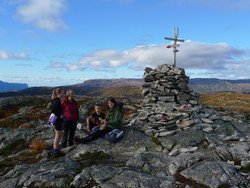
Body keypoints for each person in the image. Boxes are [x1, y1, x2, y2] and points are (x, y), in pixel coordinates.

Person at [50, 88, 65, 157]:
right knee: (58, 136)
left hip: (57, 121)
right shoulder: (57, 100)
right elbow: (53, 109)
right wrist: (60, 115)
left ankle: (54, 149)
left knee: (57, 135)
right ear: (58, 93)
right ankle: (56, 152)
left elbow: (52, 108)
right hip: (58, 121)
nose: (63, 94)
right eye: (62, 93)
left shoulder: (55, 100)